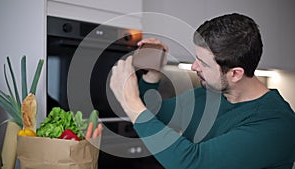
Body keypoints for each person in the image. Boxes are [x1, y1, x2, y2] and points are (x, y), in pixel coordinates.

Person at [109, 13, 295, 169]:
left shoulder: (276, 124)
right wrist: (152, 75)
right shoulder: (208, 95)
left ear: (235, 74)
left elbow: (192, 162)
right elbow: (149, 111)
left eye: (203, 63)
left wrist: (129, 100)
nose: (193, 67)